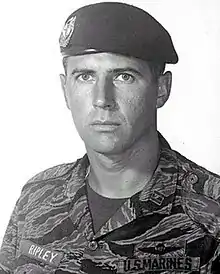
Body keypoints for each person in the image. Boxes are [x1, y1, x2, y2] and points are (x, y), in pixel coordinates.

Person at [0, 2, 220, 274]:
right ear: (65, 89)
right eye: (85, 76)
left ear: (162, 89)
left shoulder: (212, 215)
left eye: (124, 76)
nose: (102, 99)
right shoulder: (36, 198)